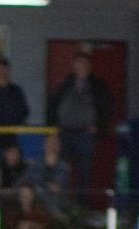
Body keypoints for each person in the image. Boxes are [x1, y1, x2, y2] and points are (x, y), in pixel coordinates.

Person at [46, 52, 113, 201]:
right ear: (74, 65)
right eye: (79, 63)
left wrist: (99, 127)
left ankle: (81, 206)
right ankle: (61, 204)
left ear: (89, 66)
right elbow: (52, 104)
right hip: (65, 132)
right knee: (61, 169)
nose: (82, 66)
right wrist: (53, 128)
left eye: (85, 63)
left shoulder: (98, 86)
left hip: (85, 133)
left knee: (84, 171)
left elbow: (106, 109)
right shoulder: (63, 83)